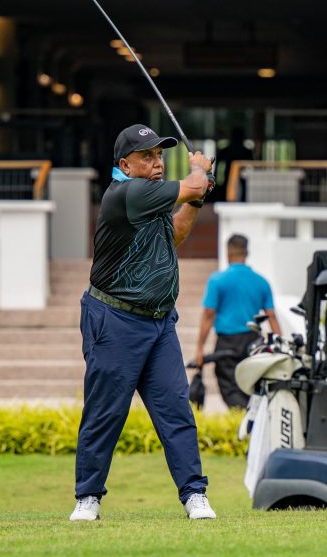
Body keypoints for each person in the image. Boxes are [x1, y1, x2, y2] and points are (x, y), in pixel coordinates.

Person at [71, 123, 216, 522]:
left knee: (176, 411)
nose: (157, 163)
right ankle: (88, 497)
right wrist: (200, 171)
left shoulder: (150, 198)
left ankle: (194, 494)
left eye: (159, 155)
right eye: (147, 157)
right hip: (114, 319)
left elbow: (175, 235)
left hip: (158, 322)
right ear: (125, 165)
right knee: (106, 413)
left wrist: (197, 199)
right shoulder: (127, 193)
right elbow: (192, 184)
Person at [195, 234, 281, 410]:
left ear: (228, 252)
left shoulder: (218, 280)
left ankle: (241, 418)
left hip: (226, 343)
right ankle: (250, 418)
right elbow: (271, 316)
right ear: (246, 253)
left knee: (229, 387)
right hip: (253, 343)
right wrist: (280, 346)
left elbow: (209, 315)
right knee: (250, 385)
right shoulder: (261, 282)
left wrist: (200, 348)